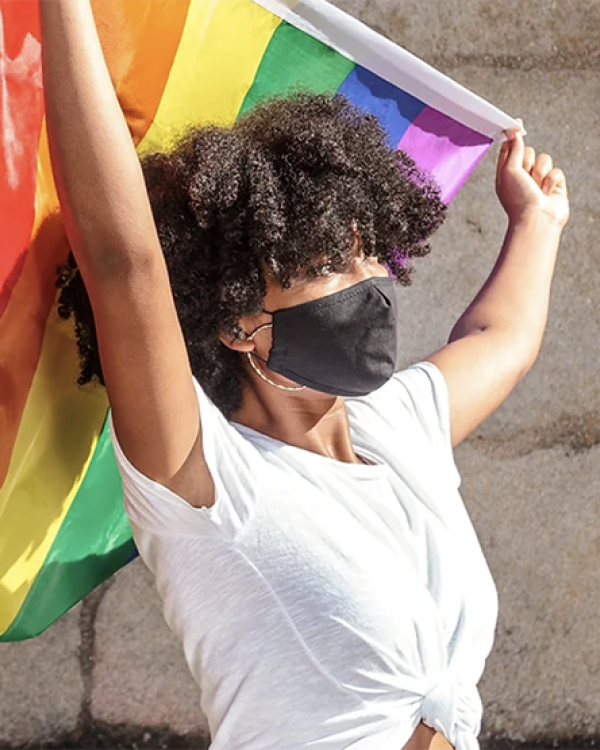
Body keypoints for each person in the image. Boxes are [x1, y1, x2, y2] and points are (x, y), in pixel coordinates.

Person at [40, 1, 569, 749]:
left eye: (367, 251)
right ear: (236, 324)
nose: (371, 280)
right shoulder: (209, 482)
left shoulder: (397, 429)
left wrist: (537, 222)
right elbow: (122, 264)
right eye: (326, 265)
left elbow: (501, 338)